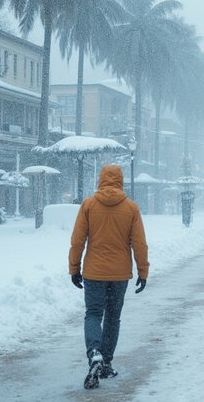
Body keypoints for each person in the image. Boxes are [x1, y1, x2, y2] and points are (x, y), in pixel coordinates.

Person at [69, 164, 149, 390]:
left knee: (93, 314)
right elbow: (139, 244)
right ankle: (106, 364)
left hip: (94, 273)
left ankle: (94, 352)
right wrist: (143, 271)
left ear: (101, 180)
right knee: (113, 317)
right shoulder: (131, 208)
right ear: (120, 181)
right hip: (119, 274)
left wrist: (74, 268)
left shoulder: (88, 205)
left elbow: (77, 240)